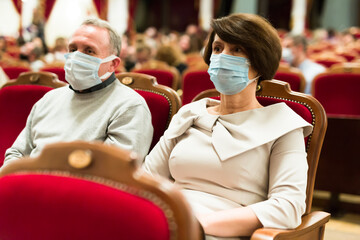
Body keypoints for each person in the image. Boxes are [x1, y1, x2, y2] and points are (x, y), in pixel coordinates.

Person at [143, 13, 312, 240]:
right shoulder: (190, 113)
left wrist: (197, 225)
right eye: (218, 48)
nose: (223, 57)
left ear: (260, 62)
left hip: (218, 232)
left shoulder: (283, 125)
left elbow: (288, 207)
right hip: (167, 223)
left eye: (237, 50)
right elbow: (146, 179)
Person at [3, 19, 153, 165]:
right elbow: (16, 153)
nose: (76, 57)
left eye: (89, 51)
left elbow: (113, 173)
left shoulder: (129, 106)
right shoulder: (49, 98)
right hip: (26, 185)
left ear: (112, 64)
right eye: (73, 49)